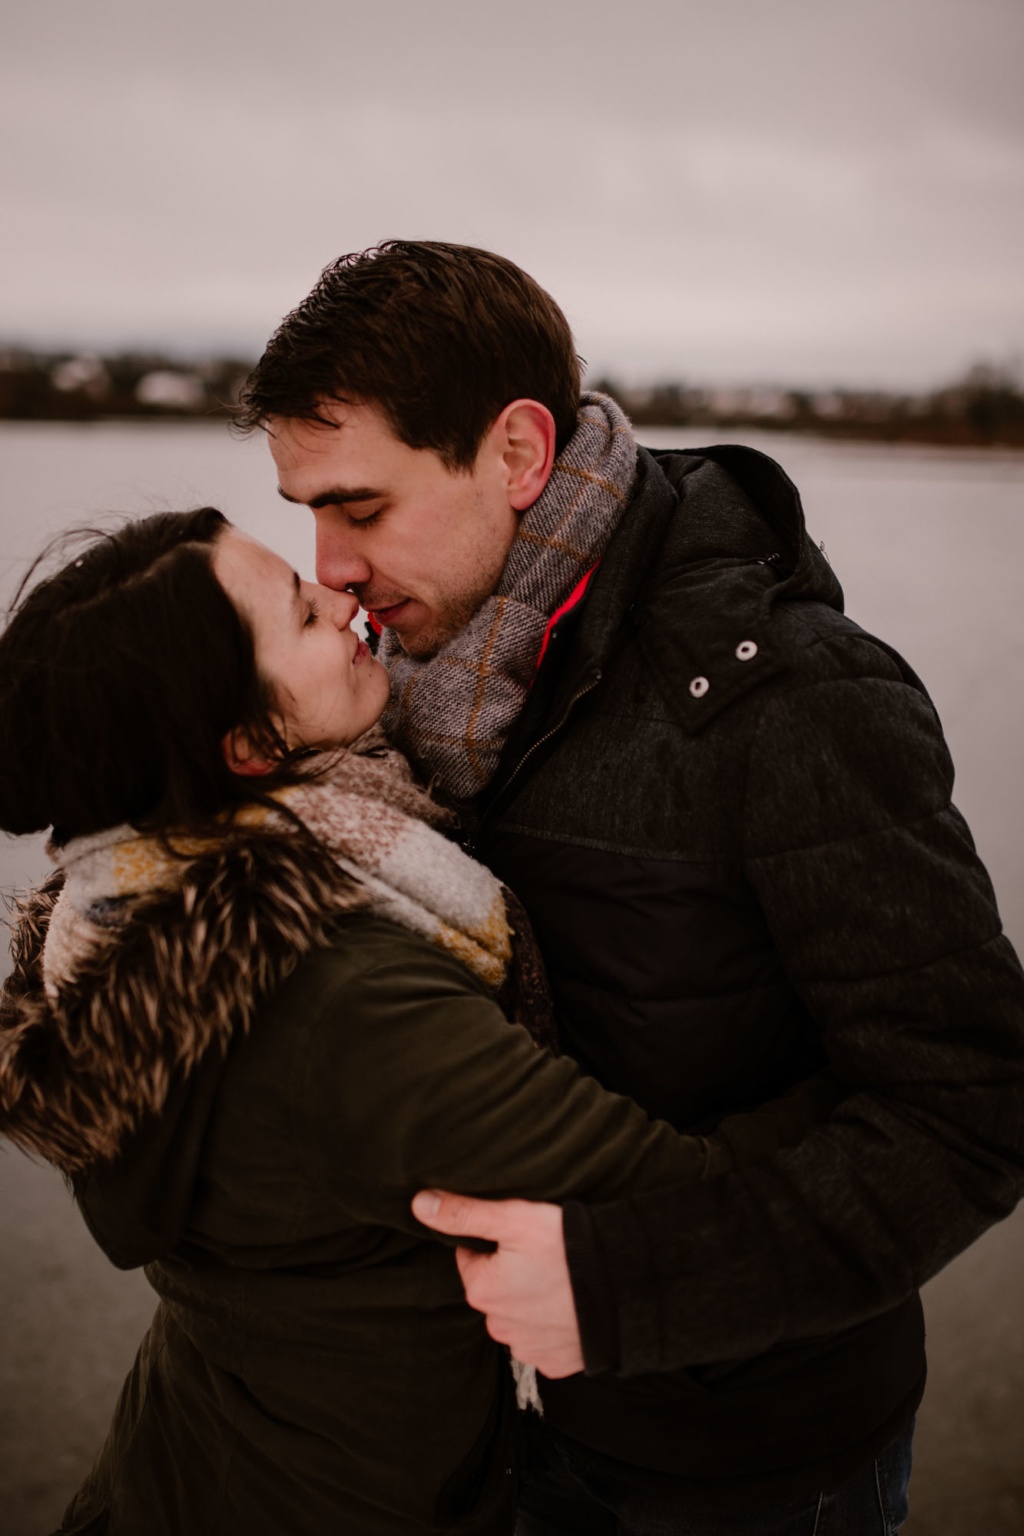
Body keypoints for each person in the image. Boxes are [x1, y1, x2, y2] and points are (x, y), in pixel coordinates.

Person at [237, 240, 1024, 1533]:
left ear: (517, 454)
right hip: (496, 1441)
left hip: (746, 1478)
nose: (326, 565)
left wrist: (629, 1287)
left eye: (361, 507)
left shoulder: (792, 699)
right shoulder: (423, 696)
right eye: (302, 507)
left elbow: (973, 1110)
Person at [0, 509, 835, 1536]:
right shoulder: (331, 1003)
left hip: (191, 1464)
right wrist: (868, 1085)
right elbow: (679, 1199)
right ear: (252, 744)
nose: (342, 598)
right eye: (303, 617)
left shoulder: (129, 905)